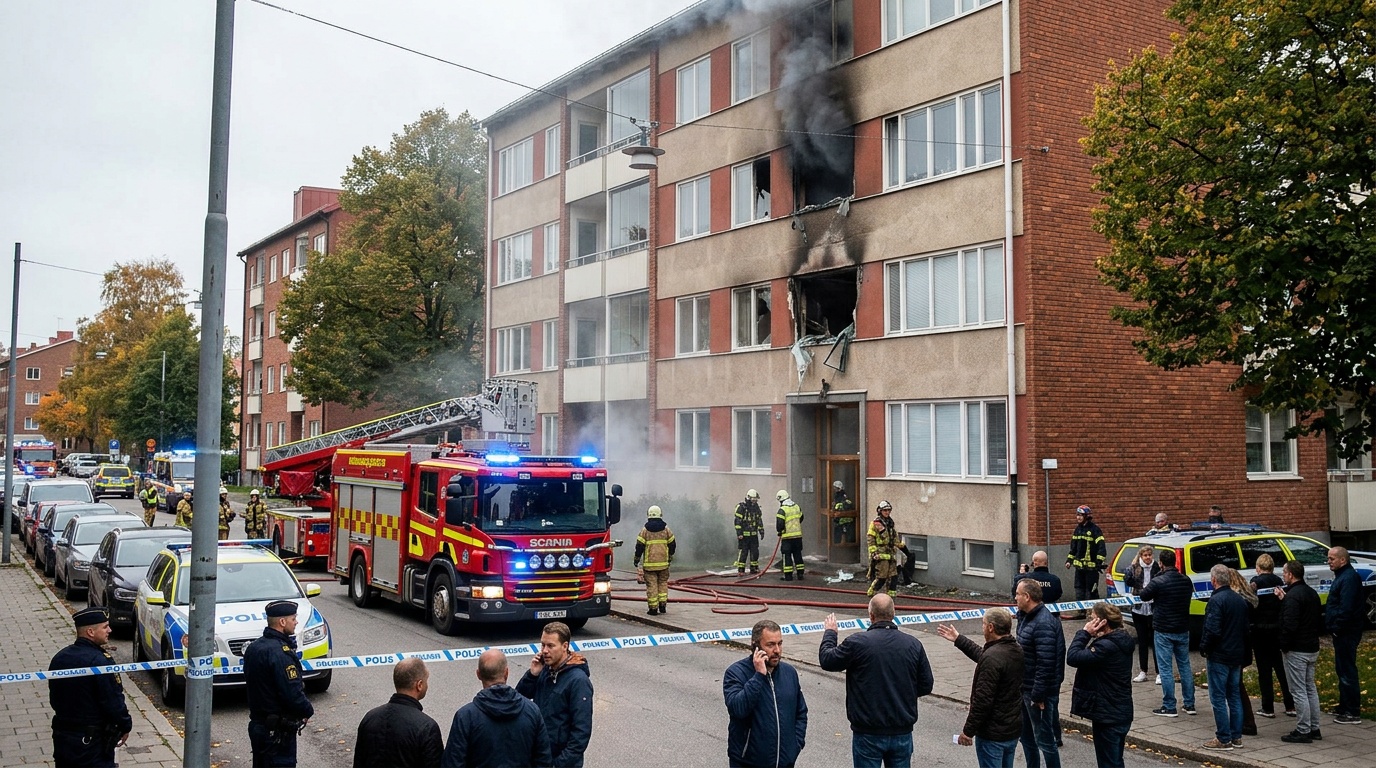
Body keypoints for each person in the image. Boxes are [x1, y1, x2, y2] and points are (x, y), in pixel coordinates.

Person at [819, 594, 934, 767]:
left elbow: (827, 660)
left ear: (871, 616)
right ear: (894, 613)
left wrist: (830, 633)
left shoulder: (857, 643)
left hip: (868, 732)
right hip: (901, 731)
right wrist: (904, 693)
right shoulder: (913, 644)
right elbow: (926, 685)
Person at [935, 607, 1024, 767]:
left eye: (983, 624)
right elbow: (984, 656)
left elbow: (983, 701)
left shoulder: (992, 657)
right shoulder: (1014, 649)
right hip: (1011, 730)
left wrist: (968, 731)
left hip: (993, 734)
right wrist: (958, 639)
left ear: (991, 627)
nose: (982, 628)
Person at [47, 607, 132, 768]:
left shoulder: (60, 658)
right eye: (105, 627)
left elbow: (55, 698)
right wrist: (125, 725)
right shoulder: (100, 662)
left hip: (63, 737)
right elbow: (112, 701)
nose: (110, 630)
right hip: (91, 742)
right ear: (91, 632)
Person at [443, 649, 551, 768]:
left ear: (478, 674)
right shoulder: (532, 711)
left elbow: (453, 762)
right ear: (506, 673)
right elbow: (543, 760)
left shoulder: (466, 716)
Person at [723, 619, 809, 768]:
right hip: (748, 763)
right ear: (755, 646)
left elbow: (800, 712)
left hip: (784, 762)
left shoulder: (789, 673)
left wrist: (795, 746)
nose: (777, 650)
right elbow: (738, 709)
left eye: (779, 643)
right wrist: (759, 676)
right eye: (770, 645)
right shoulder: (736, 673)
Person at [244, 600, 314, 767]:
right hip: (277, 733)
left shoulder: (254, 647)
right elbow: (291, 692)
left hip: (259, 726)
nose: (296, 622)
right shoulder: (280, 654)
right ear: (282, 622)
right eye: (293, 618)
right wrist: (307, 710)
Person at [1066, 602, 1135, 768]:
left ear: (1103, 622)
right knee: (1115, 761)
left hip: (1108, 714)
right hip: (1119, 710)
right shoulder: (1121, 640)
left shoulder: (1106, 646)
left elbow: (1073, 657)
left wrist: (1084, 633)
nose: (1089, 622)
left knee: (1109, 763)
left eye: (1093, 618)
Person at [515, 621, 592, 768]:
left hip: (560, 762)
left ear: (565, 646)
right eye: (542, 645)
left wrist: (559, 764)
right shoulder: (544, 670)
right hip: (539, 756)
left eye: (550, 646)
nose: (544, 651)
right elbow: (519, 700)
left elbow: (581, 733)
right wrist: (532, 675)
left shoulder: (578, 681)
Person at [354, 658, 443, 768]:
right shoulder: (427, 727)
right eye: (426, 681)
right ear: (419, 685)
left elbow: (359, 761)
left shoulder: (369, 718)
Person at [1138, 548, 1195, 717]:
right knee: (1185, 666)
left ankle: (1169, 706)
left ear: (1161, 563)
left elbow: (1143, 595)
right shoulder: (1186, 580)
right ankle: (1189, 704)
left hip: (1163, 629)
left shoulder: (1158, 581)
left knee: (1165, 668)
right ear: (1175, 563)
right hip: (1182, 628)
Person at [1013, 579, 1065, 768]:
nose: (1015, 597)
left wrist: (1038, 695)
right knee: (1026, 737)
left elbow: (1046, 663)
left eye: (1018, 594)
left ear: (1027, 597)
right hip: (1026, 688)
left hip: (1038, 693)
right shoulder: (1027, 616)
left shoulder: (1043, 623)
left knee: (1045, 740)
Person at [1199, 565, 1249, 751]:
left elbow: (1212, 629)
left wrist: (1204, 647)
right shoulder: (1239, 600)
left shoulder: (1216, 601)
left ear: (1214, 580)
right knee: (1234, 696)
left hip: (1219, 655)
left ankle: (1223, 738)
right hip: (1236, 655)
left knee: (1218, 698)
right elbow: (1245, 630)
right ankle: (1236, 736)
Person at [1277, 560, 1323, 743]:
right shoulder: (1311, 593)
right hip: (1312, 646)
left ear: (1290, 575)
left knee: (1298, 690)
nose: (1283, 575)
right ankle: (1314, 727)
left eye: (1284, 572)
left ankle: (1303, 729)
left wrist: (1284, 644)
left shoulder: (1293, 597)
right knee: (1310, 688)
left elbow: (1289, 624)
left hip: (1297, 649)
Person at [1248, 554, 1293, 718]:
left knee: (1264, 670)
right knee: (1281, 669)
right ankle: (1290, 705)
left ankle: (1268, 707)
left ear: (1258, 568)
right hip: (1276, 630)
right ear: (1272, 567)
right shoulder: (1280, 582)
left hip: (1260, 631)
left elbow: (1250, 603)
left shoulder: (1255, 582)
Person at [1325, 546, 1364, 724]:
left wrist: (1337, 627)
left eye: (1332, 558)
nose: (1329, 561)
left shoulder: (1348, 579)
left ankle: (1352, 710)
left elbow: (1346, 608)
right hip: (1342, 630)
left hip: (1346, 631)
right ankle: (1344, 704)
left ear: (1343, 560)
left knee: (1347, 670)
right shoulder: (1343, 577)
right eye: (1328, 558)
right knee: (1342, 668)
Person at [1123, 544, 1161, 683]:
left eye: (1149, 555)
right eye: (1145, 555)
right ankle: (1143, 671)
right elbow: (1128, 581)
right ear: (1141, 556)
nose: (1147, 558)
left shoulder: (1157, 567)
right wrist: (1129, 574)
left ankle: (1159, 672)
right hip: (1138, 608)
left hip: (1153, 607)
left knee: (1155, 640)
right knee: (1142, 640)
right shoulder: (1134, 568)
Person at [1063, 505, 1105, 619]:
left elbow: (1101, 548)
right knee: (1079, 589)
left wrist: (1098, 562)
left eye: (1081, 515)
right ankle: (1081, 612)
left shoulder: (1095, 530)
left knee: (1092, 590)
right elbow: (1073, 548)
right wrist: (1069, 560)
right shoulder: (1077, 530)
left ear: (1087, 516)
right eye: (1077, 515)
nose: (1078, 517)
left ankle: (1095, 613)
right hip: (1079, 568)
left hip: (1092, 569)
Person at [633, 505, 675, 615]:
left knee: (652, 586)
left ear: (649, 516)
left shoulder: (645, 531)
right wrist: (670, 556)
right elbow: (673, 544)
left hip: (650, 565)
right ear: (660, 515)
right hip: (664, 565)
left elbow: (639, 547)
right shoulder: (666, 530)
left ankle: (653, 609)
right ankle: (662, 606)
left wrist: (636, 559)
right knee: (662, 583)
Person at [866, 501, 902, 598]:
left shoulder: (890, 523)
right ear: (880, 511)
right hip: (880, 555)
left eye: (889, 510)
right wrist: (873, 552)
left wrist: (898, 544)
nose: (887, 512)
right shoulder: (875, 523)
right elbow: (870, 538)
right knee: (882, 576)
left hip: (890, 554)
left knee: (893, 576)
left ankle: (890, 597)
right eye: (885, 510)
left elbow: (894, 536)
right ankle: (872, 593)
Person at [733, 489, 764, 575]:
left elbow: (759, 520)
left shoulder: (756, 508)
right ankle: (741, 570)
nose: (754, 501)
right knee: (744, 552)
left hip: (754, 535)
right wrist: (739, 533)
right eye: (753, 499)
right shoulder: (741, 508)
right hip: (744, 536)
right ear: (748, 498)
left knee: (755, 552)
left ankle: (753, 568)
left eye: (755, 499)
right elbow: (737, 521)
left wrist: (761, 530)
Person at [776, 490, 804, 581]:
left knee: (787, 555)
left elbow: (779, 524)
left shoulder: (782, 510)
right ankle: (800, 574)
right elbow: (801, 517)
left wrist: (780, 531)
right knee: (798, 554)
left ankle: (788, 576)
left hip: (787, 537)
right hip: (798, 536)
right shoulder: (796, 507)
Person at [832, 479, 856, 544]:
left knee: (845, 535)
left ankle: (841, 547)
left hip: (845, 519)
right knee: (838, 535)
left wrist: (838, 507)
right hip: (839, 519)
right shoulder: (837, 495)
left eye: (835, 488)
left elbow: (848, 504)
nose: (834, 489)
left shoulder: (843, 495)